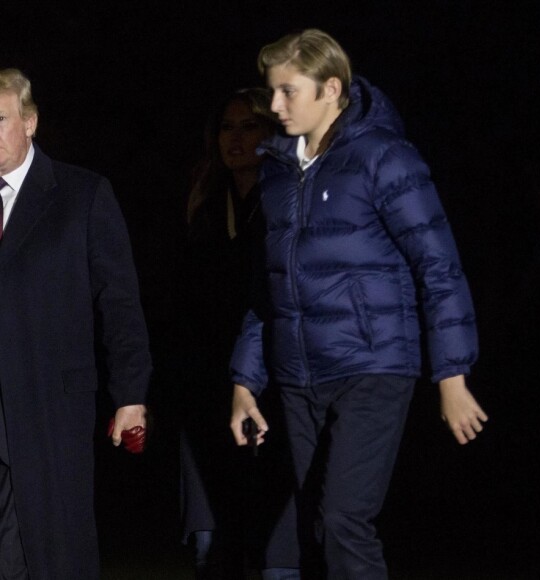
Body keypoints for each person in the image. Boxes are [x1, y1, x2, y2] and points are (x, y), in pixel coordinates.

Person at [229, 30, 489, 579]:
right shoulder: (276, 172)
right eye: (270, 92)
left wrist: (452, 375)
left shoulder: (384, 158)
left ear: (330, 88)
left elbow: (438, 265)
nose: (273, 106)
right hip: (299, 374)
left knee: (345, 517)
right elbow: (266, 289)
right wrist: (244, 383)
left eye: (287, 92)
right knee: (317, 527)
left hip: (374, 365)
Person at [0, 68, 151, 579]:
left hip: (49, 413)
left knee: (52, 553)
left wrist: (130, 393)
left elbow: (121, 303)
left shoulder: (81, 195)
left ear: (30, 121)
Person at [175, 88, 299, 579]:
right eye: (227, 128)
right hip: (208, 381)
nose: (236, 139)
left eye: (248, 127)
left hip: (270, 380)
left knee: (272, 535)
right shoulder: (205, 203)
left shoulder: (285, 198)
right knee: (213, 537)